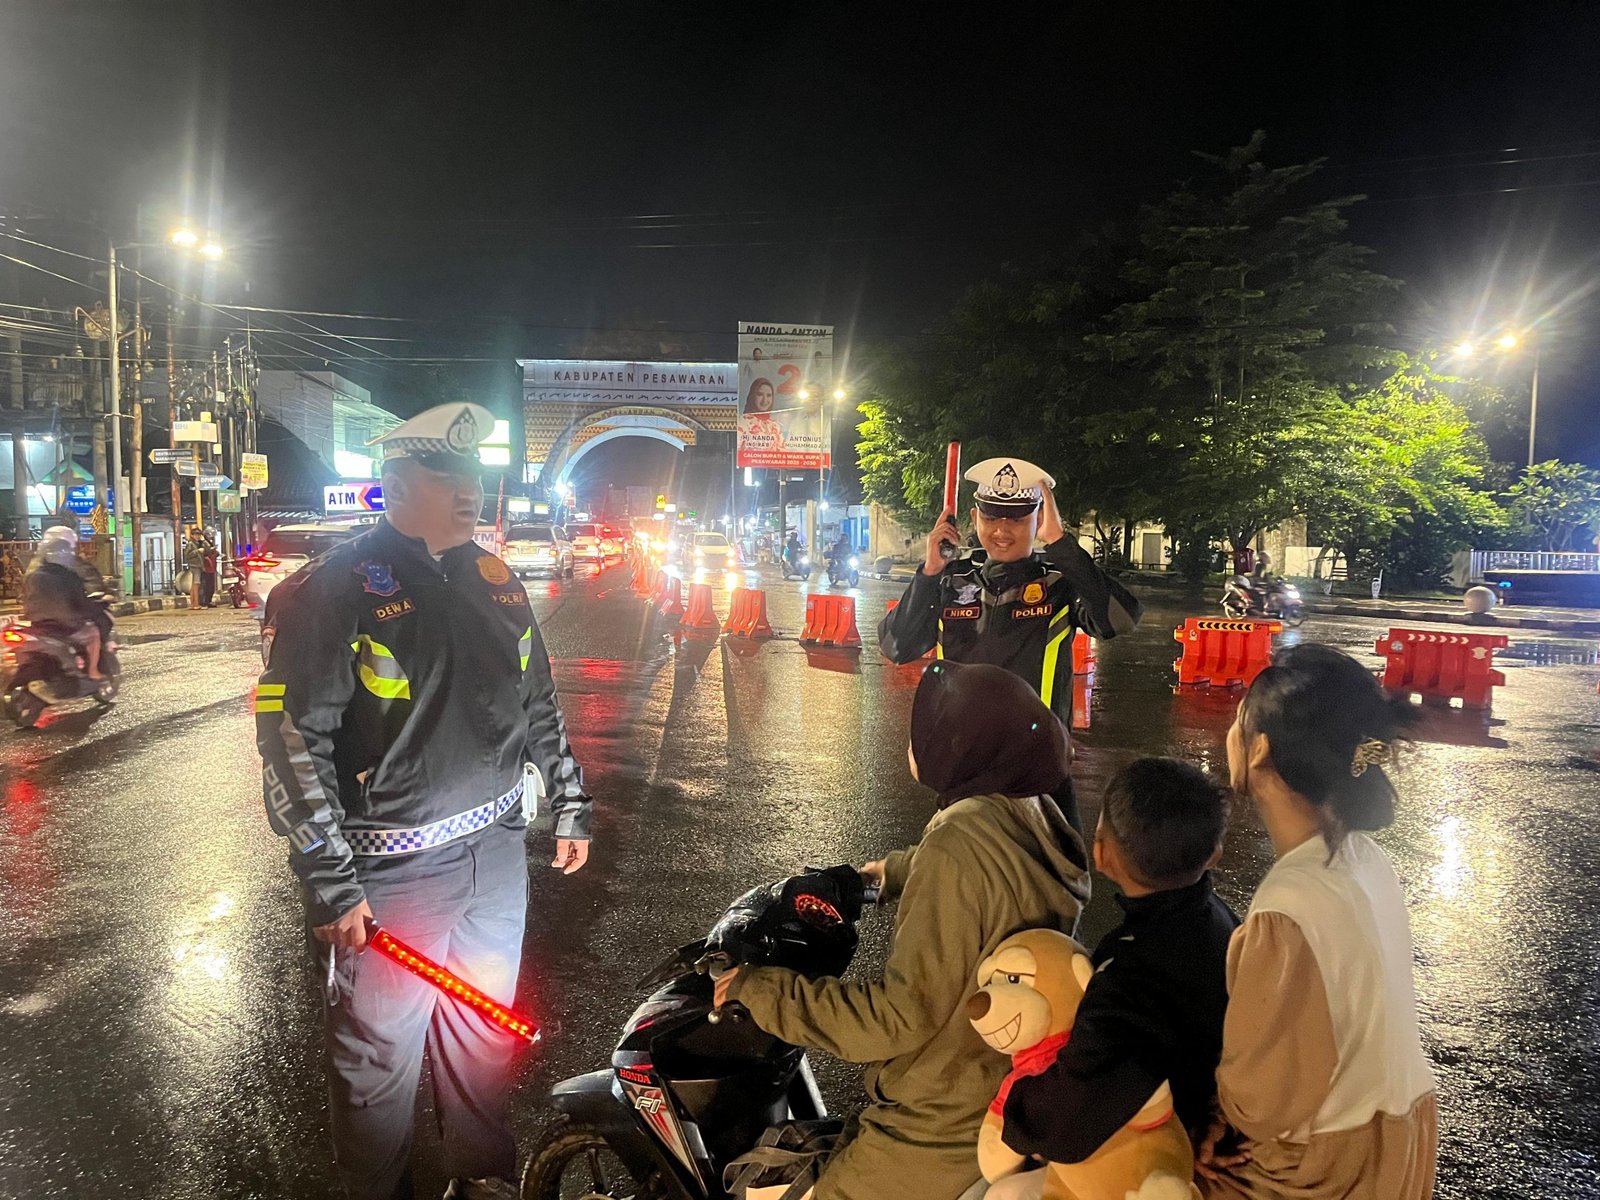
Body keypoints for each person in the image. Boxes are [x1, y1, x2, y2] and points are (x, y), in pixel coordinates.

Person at [255, 403, 593, 1200]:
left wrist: (571, 801)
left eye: (474, 476)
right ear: (399, 483)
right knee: (378, 1068)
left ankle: (483, 1185)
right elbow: (291, 738)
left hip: (496, 859)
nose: (470, 490)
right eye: (449, 477)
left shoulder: (496, 581)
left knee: (482, 1048)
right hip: (392, 879)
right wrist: (329, 881)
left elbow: (537, 700)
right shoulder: (334, 589)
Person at [715, 660, 1091, 1200]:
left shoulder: (956, 846)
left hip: (941, 1119)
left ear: (964, 745)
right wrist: (893, 872)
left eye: (931, 730)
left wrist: (767, 992)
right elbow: (987, 870)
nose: (915, 742)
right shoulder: (1035, 815)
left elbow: (899, 1016)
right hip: (1000, 1086)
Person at [1197, 644, 1436, 1199]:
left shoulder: (1290, 903)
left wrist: (1214, 1113)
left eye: (1239, 719)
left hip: (1330, 1165)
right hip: (1403, 1132)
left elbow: (1265, 1098)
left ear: (1259, 749)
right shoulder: (1364, 858)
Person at [989, 758, 1240, 1199]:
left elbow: (1070, 1112)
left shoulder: (1124, 976)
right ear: (1214, 854)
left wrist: (1012, 1108)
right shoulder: (1227, 927)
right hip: (1198, 1131)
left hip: (1135, 1163)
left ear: (1102, 856)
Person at [878, 458, 1143, 830]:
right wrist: (929, 573)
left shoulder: (1059, 585)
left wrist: (1061, 545)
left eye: (1017, 518)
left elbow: (1121, 619)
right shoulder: (950, 583)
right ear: (974, 517)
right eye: (992, 517)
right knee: (959, 883)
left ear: (1038, 519)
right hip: (963, 772)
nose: (1002, 530)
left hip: (1038, 776)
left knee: (1047, 884)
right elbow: (895, 645)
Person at [24, 526, 105, 679]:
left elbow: (26, 599)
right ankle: (93, 672)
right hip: (65, 625)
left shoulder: (33, 574)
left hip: (39, 625)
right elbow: (81, 603)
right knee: (93, 633)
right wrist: (97, 606)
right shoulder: (68, 576)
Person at [200, 536, 219, 607]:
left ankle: (208, 601)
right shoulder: (202, 543)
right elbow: (204, 553)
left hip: (211, 567)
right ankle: (205, 601)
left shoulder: (209, 543)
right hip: (206, 567)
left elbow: (216, 553)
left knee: (211, 586)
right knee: (206, 585)